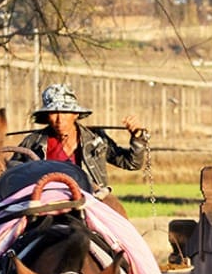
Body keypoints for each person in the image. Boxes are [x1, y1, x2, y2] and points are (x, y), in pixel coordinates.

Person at [19, 84, 149, 203]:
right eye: (54, 113)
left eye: (65, 112)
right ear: (47, 116)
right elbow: (13, 173)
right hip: (46, 202)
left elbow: (131, 163)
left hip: (91, 201)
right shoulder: (32, 143)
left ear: (76, 114)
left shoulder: (95, 140)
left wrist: (137, 137)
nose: (59, 119)